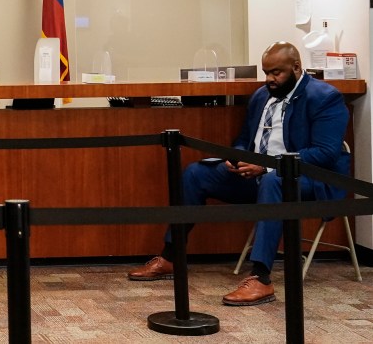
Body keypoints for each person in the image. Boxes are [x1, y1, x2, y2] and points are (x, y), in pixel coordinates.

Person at [127, 41, 350, 306]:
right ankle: (170, 257)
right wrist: (238, 157)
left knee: (272, 181)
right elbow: (244, 139)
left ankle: (261, 278)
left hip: (307, 180)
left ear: (296, 67)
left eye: (276, 72)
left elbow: (325, 152)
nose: (269, 79)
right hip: (258, 175)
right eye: (266, 72)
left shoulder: (324, 97)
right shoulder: (260, 97)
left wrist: (267, 165)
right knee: (195, 174)